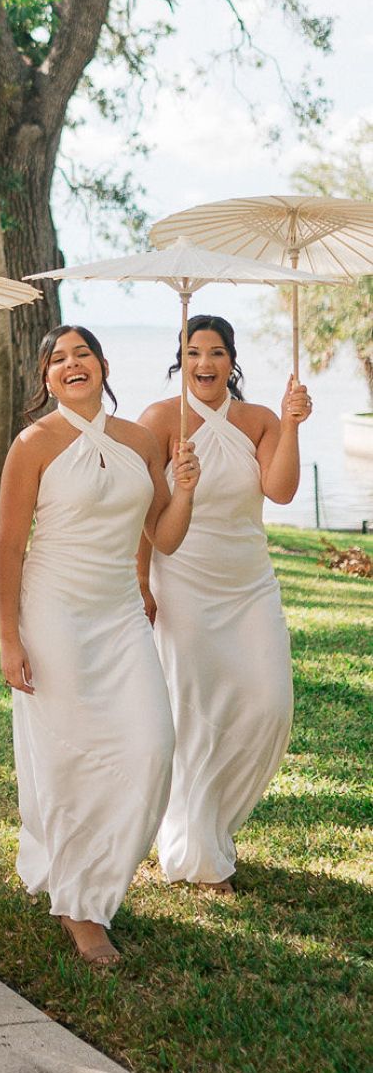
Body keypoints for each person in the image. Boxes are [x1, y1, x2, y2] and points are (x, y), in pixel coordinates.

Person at [0, 325, 199, 966]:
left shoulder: (140, 440)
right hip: (53, 612)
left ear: (103, 365)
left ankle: (95, 877)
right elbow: (8, 546)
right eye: (57, 359)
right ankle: (80, 905)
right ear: (46, 378)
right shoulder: (32, 444)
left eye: (82, 354)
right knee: (69, 760)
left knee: (152, 747)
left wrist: (186, 489)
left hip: (120, 615)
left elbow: (165, 536)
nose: (71, 364)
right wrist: (7, 637)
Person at [138, 316, 305, 889]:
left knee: (270, 706)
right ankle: (197, 844)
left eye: (215, 352)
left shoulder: (258, 420)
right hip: (182, 582)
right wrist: (141, 583)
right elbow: (143, 515)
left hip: (250, 585)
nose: (204, 363)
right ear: (180, 359)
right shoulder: (160, 420)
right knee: (194, 716)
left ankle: (215, 824)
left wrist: (290, 423)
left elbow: (281, 490)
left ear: (232, 361)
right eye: (193, 352)